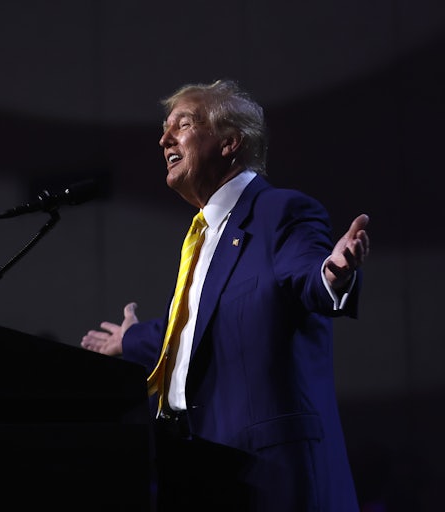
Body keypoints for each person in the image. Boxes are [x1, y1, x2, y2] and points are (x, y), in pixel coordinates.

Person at [81, 79, 369, 511]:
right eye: (164, 128)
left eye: (183, 124)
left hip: (265, 472)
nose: (164, 139)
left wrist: (333, 274)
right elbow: (200, 324)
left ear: (229, 142)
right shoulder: (204, 234)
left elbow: (306, 275)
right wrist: (131, 340)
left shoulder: (281, 211)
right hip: (197, 466)